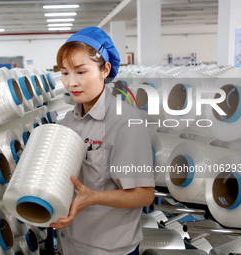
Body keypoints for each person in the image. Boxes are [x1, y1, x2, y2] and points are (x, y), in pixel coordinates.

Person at [50, 26, 155, 255]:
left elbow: (144, 194)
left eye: (80, 72)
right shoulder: (69, 120)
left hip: (108, 249)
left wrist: (94, 197)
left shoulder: (125, 122)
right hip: (70, 245)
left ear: (105, 70)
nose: (71, 83)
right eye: (65, 73)